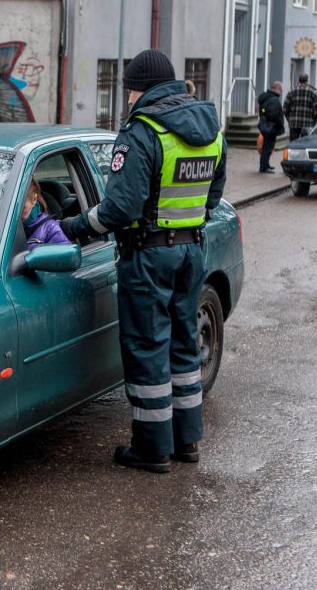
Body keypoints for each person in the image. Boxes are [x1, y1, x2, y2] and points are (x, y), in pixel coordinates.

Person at [60, 49, 226, 474]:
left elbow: (119, 209)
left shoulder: (143, 130)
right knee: (182, 344)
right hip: (191, 250)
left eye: (128, 90)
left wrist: (74, 226)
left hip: (149, 256)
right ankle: (186, 441)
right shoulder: (210, 128)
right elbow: (213, 195)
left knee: (148, 347)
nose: (127, 99)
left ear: (137, 89)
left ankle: (152, 449)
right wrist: (185, 225)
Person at [22, 179, 69, 249]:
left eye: (22, 207)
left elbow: (66, 256)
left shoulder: (50, 230)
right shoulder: (2, 225)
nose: (15, 214)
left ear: (34, 199)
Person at [283, 73, 317, 141]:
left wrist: (289, 119)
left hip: (294, 123)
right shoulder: (313, 93)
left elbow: (285, 109)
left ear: (299, 80)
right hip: (307, 124)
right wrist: (313, 122)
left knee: (293, 145)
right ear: (307, 80)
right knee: (305, 144)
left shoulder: (291, 92)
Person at [257, 82, 284, 172]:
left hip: (266, 125)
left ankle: (266, 164)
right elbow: (274, 115)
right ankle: (264, 167)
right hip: (271, 127)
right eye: (281, 90)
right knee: (267, 148)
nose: (281, 92)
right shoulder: (274, 100)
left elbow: (264, 112)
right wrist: (280, 123)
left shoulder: (266, 97)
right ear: (276, 88)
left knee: (267, 147)